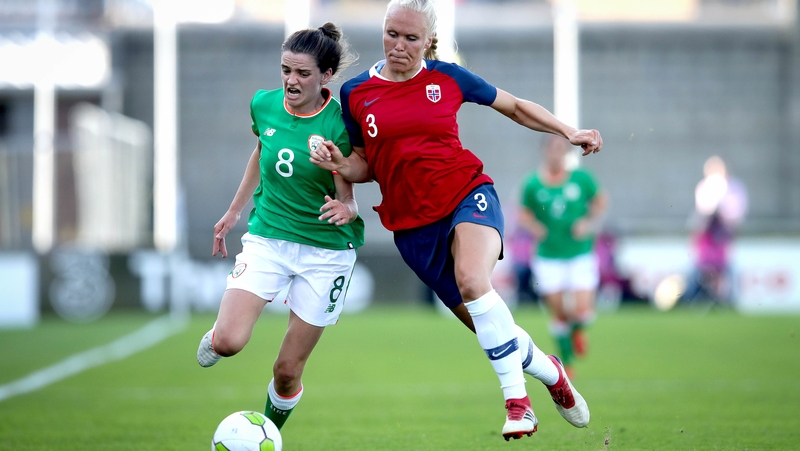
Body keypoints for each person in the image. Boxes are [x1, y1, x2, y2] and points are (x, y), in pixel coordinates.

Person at [309, 0, 600, 440]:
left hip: (467, 194)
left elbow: (515, 106)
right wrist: (338, 162)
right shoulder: (356, 94)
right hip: (412, 227)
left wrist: (567, 132)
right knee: (489, 325)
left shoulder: (447, 77)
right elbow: (365, 166)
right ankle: (551, 372)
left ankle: (517, 403)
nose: (399, 46)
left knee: (471, 278)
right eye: (392, 34)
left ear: (428, 41)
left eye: (411, 38)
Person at [195, 23, 365, 431]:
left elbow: (348, 196)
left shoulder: (338, 125)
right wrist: (235, 210)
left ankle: (267, 435)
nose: (291, 80)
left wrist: (349, 210)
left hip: (326, 252)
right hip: (268, 238)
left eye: (303, 73)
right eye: (286, 70)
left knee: (287, 370)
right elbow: (261, 150)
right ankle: (216, 337)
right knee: (228, 342)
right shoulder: (263, 105)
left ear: (325, 76)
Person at [518, 135, 608, 378]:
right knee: (558, 312)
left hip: (579, 253)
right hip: (548, 256)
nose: (556, 154)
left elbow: (600, 202)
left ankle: (578, 331)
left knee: (581, 309)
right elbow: (523, 213)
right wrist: (535, 227)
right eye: (552, 149)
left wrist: (587, 223)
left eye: (561, 150)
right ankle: (566, 363)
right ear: (545, 151)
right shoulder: (533, 184)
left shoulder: (581, 179)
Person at [683, 155, 748, 303]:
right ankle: (696, 297)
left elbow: (737, 215)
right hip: (707, 241)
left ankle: (727, 298)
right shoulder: (704, 187)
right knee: (699, 271)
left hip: (724, 239)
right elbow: (702, 216)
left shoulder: (735, 188)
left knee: (727, 271)